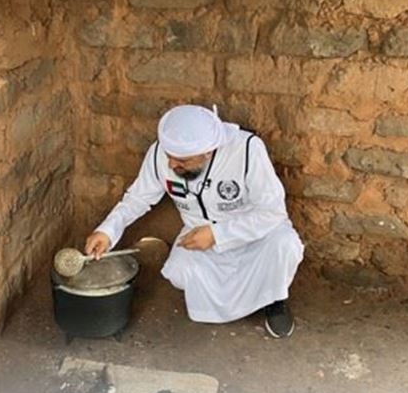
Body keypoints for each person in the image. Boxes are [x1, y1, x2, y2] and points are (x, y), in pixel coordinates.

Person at [85, 104, 304, 338]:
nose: (171, 165)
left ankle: (275, 301)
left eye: (182, 161)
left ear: (208, 152)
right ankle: (245, 298)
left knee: (285, 245)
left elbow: (272, 211)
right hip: (198, 235)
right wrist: (107, 231)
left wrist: (217, 235)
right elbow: (138, 198)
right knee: (179, 271)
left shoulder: (248, 149)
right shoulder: (162, 152)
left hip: (252, 234)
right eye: (169, 157)